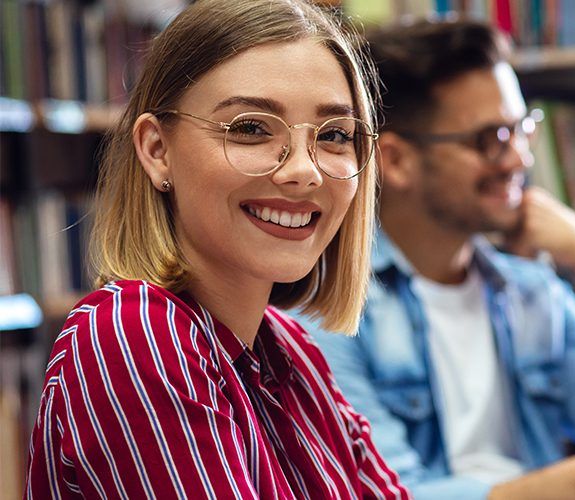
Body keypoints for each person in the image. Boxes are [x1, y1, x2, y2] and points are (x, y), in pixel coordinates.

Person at [296, 19, 575, 500]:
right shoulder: (326, 315)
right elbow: (388, 494)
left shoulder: (529, 290)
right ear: (397, 160)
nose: (519, 161)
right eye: (490, 140)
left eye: (521, 130)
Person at [23, 0, 409, 497]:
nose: (304, 171)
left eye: (334, 135)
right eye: (250, 128)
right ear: (157, 150)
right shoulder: (132, 337)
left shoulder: (292, 351)